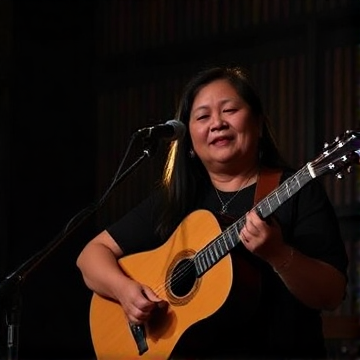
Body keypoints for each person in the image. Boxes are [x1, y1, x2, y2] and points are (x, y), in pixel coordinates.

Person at [76, 66, 349, 359]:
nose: (217, 123)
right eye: (203, 116)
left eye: (229, 110)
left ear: (258, 124)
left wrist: (277, 254)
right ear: (189, 142)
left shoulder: (297, 190)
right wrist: (125, 292)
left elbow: (331, 294)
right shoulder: (176, 201)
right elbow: (90, 256)